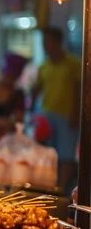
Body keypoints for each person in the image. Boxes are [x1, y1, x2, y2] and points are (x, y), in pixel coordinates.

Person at [31, 27, 81, 193]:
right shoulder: (44, 66)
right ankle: (48, 186)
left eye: (48, 42)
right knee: (47, 152)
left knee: (66, 154)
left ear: (58, 42)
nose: (46, 46)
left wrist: (76, 113)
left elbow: (78, 89)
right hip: (46, 114)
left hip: (67, 115)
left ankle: (60, 188)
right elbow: (37, 89)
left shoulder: (74, 64)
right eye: (44, 42)